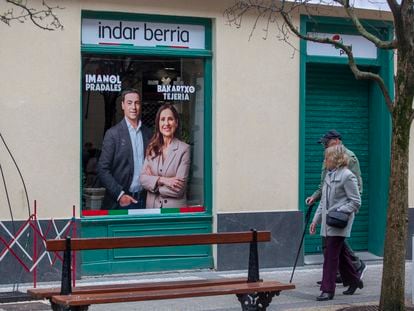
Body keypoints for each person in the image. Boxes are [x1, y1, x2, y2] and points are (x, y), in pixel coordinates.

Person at [305, 130, 367, 284]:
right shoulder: (329, 157)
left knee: (333, 243)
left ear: (337, 141)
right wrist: (315, 196)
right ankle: (348, 272)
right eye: (324, 143)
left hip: (341, 208)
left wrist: (345, 210)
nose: (325, 146)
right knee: (331, 242)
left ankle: (342, 273)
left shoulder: (349, 158)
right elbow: (324, 184)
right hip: (329, 206)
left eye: (327, 142)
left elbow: (355, 187)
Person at [97, 89, 152, 209]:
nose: (134, 107)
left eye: (137, 103)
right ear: (122, 105)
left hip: (144, 199)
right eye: (129, 103)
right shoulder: (113, 134)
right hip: (121, 201)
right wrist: (120, 195)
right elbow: (102, 169)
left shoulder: (148, 133)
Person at [140, 104, 190, 208]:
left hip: (173, 212)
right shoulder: (152, 148)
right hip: (152, 209)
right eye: (162, 119)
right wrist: (164, 180)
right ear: (158, 124)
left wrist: (152, 181)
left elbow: (178, 189)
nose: (166, 123)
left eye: (170, 119)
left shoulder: (184, 149)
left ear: (176, 123)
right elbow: (142, 179)